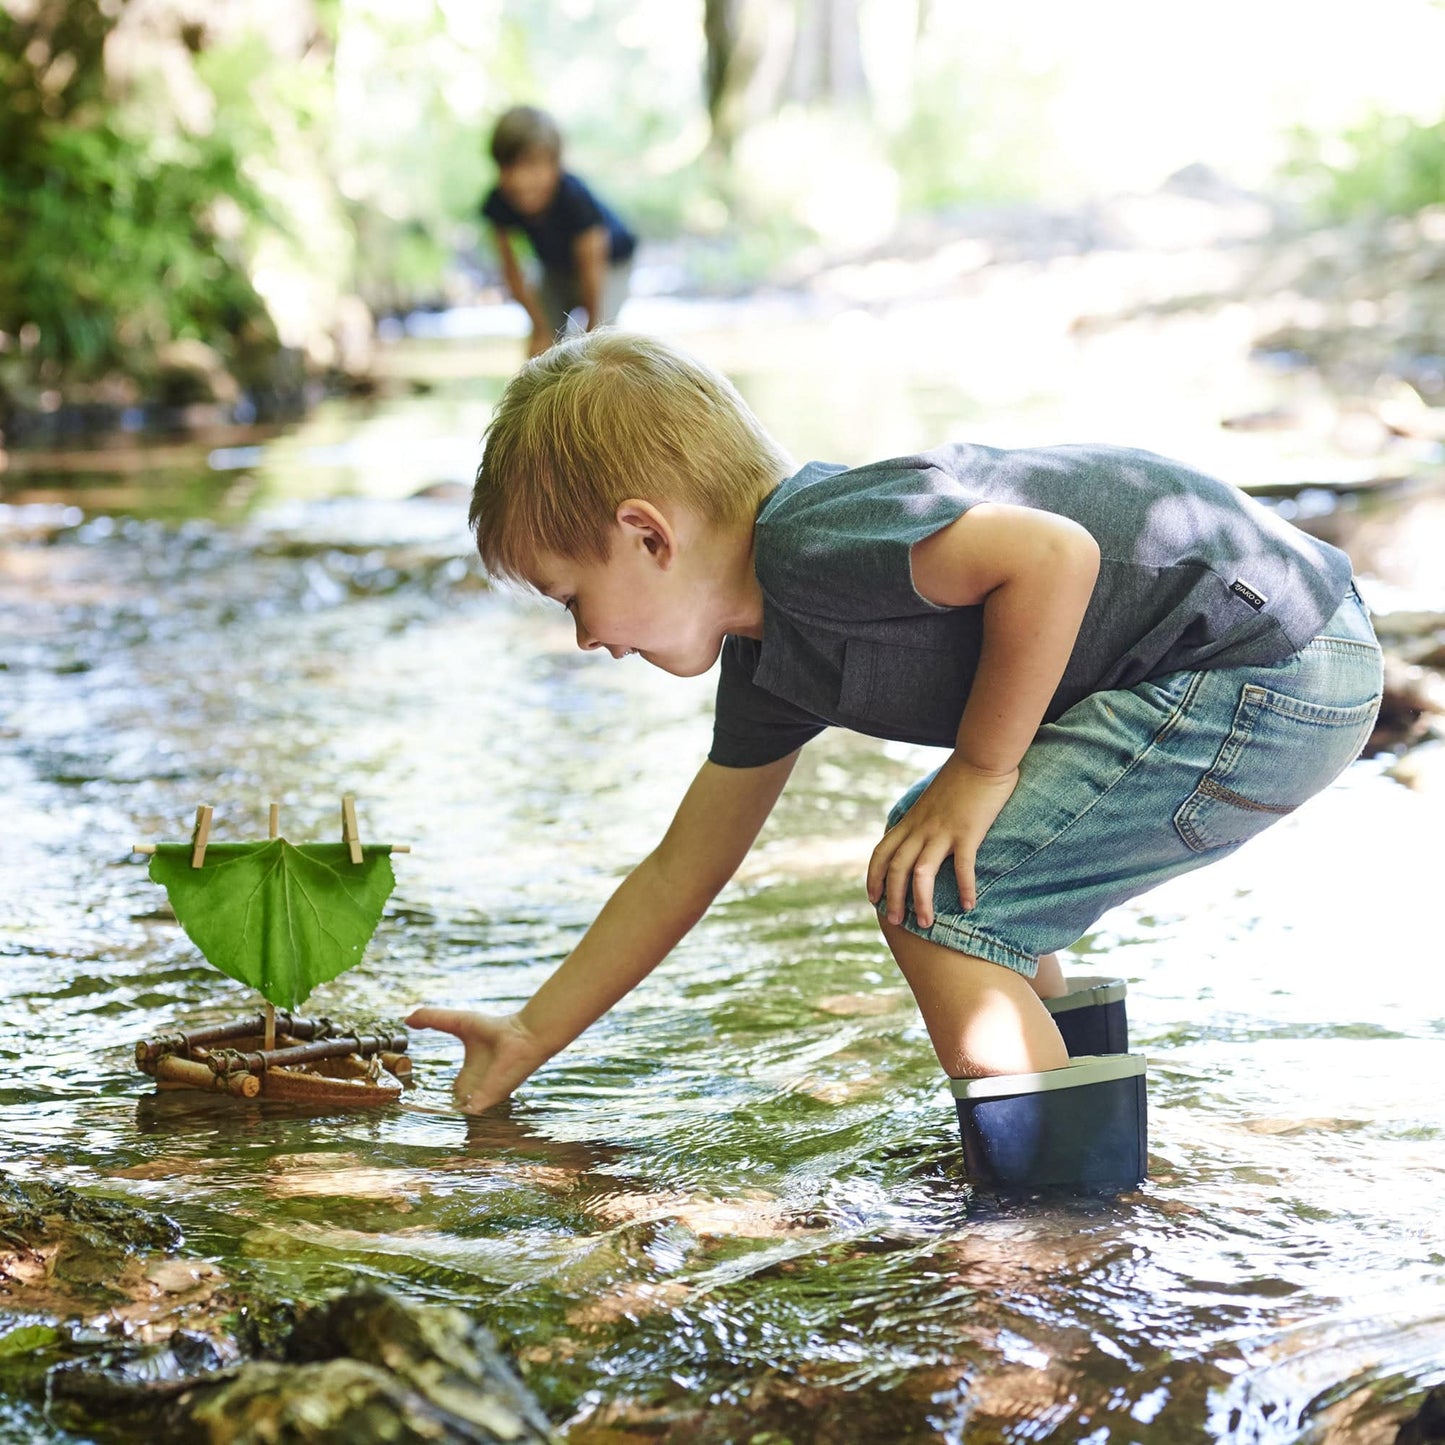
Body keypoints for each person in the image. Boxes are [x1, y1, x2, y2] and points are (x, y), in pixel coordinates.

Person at [407, 331, 1382, 1185]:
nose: (581, 638)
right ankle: (1075, 1158)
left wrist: (981, 768)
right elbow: (679, 869)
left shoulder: (814, 542)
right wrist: (529, 1034)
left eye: (570, 596)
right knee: (953, 873)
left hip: (1266, 663)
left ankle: (1054, 1222)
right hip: (1266, 652)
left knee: (941, 897)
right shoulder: (768, 660)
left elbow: (1050, 556)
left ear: (645, 533)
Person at [480, 105, 637, 360]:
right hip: (556, 268)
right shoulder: (499, 202)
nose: (521, 180)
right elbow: (512, 271)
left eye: (532, 165)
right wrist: (540, 327)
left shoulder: (574, 198)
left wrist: (592, 328)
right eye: (510, 167)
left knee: (600, 344)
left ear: (556, 164)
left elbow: (592, 263)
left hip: (608, 264)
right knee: (540, 347)